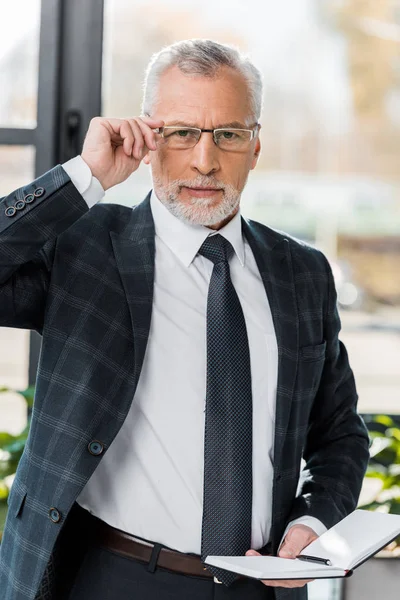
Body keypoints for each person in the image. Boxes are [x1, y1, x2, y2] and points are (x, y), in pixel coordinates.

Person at [0, 39, 369, 600]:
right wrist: (86, 175)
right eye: (182, 132)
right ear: (149, 138)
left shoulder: (303, 273)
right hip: (108, 576)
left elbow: (339, 432)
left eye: (228, 134)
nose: (205, 159)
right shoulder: (85, 248)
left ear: (255, 145)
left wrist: (312, 523)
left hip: (261, 584)